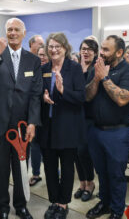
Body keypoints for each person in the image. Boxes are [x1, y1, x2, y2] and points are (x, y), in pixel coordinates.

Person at [0, 18, 42, 219]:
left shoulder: (33, 60)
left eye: (16, 30)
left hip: (22, 125)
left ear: (24, 33)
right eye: (9, 30)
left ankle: (21, 205)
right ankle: (3, 207)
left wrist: (32, 122)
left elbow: (35, 94)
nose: (12, 33)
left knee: (21, 167)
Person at [85, 35, 129, 219]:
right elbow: (87, 97)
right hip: (96, 131)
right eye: (101, 48)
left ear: (119, 52)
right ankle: (104, 203)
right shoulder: (97, 69)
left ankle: (117, 210)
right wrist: (96, 78)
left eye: (106, 50)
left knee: (116, 175)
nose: (101, 53)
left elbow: (122, 98)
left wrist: (104, 78)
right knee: (101, 172)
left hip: (118, 133)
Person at [39, 32, 86, 219]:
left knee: (66, 168)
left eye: (57, 46)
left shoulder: (74, 68)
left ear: (65, 48)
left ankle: (63, 203)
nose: (53, 49)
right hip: (47, 128)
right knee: (49, 167)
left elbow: (81, 98)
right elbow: (36, 91)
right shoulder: (43, 68)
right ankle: (53, 201)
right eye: (50, 46)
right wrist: (42, 97)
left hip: (67, 128)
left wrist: (62, 90)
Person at [74, 38, 98, 202]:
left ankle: (90, 183)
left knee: (84, 152)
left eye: (90, 49)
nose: (86, 51)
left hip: (89, 117)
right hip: (73, 116)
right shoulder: (75, 68)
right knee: (75, 152)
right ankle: (82, 183)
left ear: (95, 52)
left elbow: (88, 94)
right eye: (83, 48)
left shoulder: (96, 69)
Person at [29, 45, 48, 187]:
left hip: (49, 115)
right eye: (40, 54)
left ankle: (54, 171)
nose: (42, 57)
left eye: (44, 55)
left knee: (49, 147)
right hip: (34, 114)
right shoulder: (33, 70)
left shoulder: (53, 71)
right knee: (34, 146)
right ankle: (36, 174)